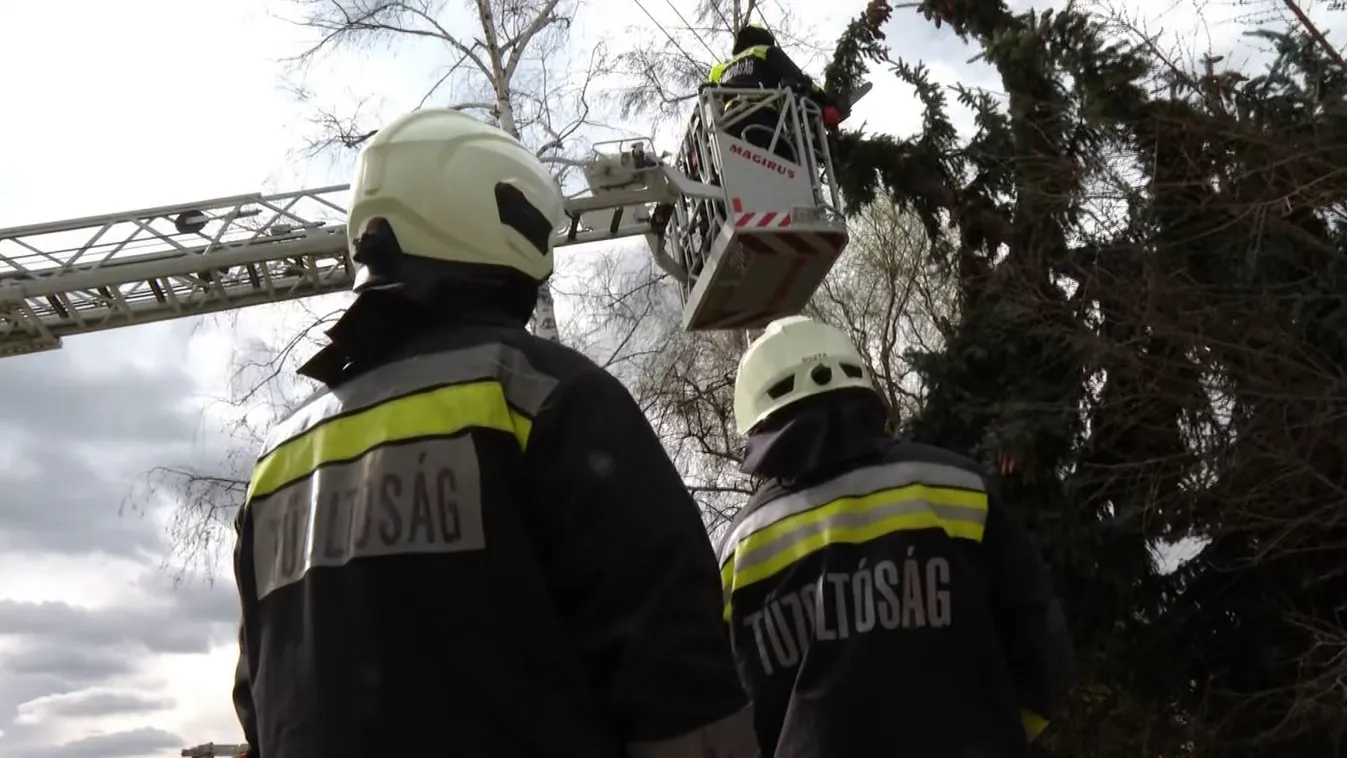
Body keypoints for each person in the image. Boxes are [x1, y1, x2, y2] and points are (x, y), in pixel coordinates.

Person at [230, 108, 759, 758]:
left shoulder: (276, 469)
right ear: (496, 212)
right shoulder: (548, 396)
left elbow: (262, 707)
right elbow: (680, 682)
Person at [720, 315, 1074, 758]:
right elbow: (1039, 635)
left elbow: (721, 710)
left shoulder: (738, 552)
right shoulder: (959, 486)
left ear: (755, 422)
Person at [707, 25, 844, 163]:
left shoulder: (725, 70)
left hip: (729, 130)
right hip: (762, 123)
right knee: (796, 158)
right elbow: (800, 80)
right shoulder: (766, 51)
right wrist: (826, 100)